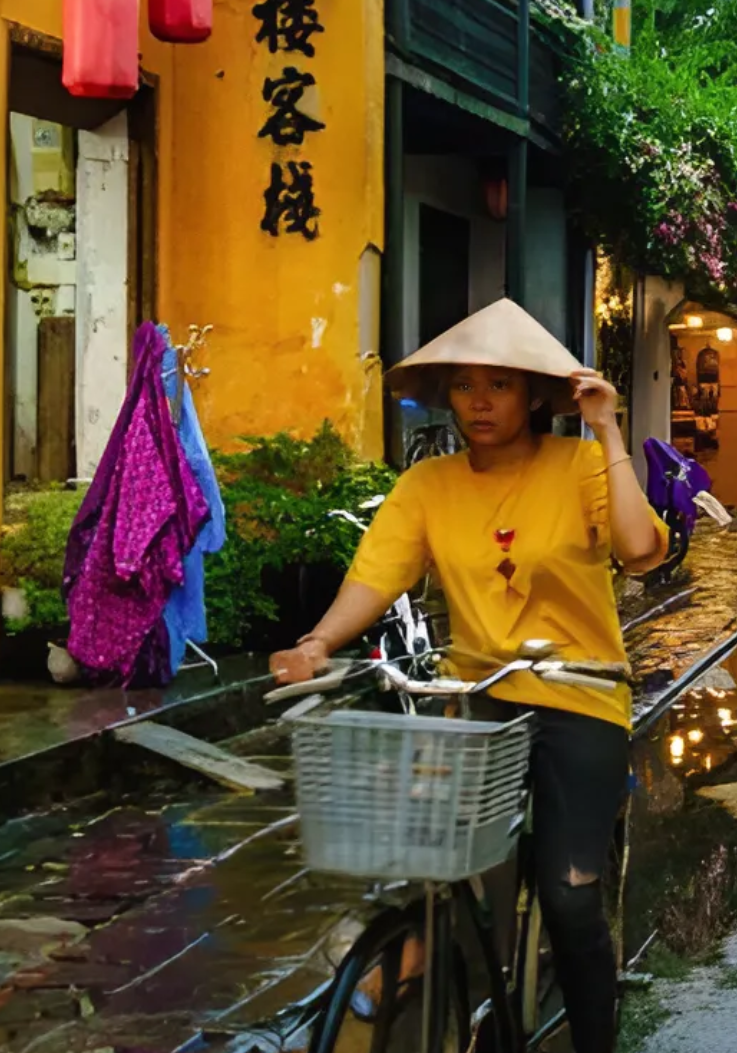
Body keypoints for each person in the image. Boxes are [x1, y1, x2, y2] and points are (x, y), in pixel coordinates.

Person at [268, 300, 668, 1053]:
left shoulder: (579, 463)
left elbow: (641, 547)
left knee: (570, 895)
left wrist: (608, 428)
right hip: (478, 698)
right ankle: (458, 984)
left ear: (533, 396)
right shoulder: (429, 485)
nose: (480, 402)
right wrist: (317, 641)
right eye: (464, 385)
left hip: (581, 694)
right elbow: (377, 573)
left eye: (500, 384)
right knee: (448, 877)